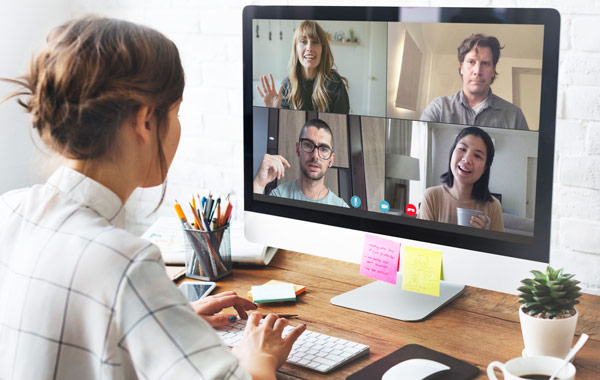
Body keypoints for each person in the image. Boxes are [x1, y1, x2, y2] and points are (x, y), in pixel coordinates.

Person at [0, 16, 305, 380]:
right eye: (175, 113)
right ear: (145, 120)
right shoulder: (125, 262)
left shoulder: (10, 209)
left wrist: (163, 319)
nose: (177, 127)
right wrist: (260, 355)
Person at [420, 34, 529, 131]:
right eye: (471, 62)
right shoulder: (438, 109)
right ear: (462, 68)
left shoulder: (515, 116)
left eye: (485, 63)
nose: (477, 71)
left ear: (493, 70)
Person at [417, 126, 504, 232]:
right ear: (452, 152)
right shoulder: (431, 196)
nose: (467, 159)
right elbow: (423, 244)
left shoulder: (493, 206)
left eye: (477, 155)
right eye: (462, 149)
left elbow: (497, 248)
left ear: (485, 167)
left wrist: (483, 235)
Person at [257, 20, 350, 114]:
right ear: (296, 49)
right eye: (303, 41)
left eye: (315, 42)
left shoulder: (334, 83)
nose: (309, 48)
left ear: (322, 49)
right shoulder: (286, 86)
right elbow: (283, 127)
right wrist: (274, 112)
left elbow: (341, 125)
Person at [253, 118, 349, 207]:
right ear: (297, 149)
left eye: (324, 149)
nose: (315, 156)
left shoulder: (342, 207)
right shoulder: (279, 195)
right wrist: (258, 184)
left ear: (331, 160)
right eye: (308, 145)